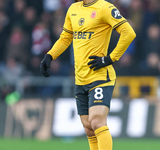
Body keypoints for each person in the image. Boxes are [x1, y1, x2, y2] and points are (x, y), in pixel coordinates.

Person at [40, 0, 136, 150]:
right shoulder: (73, 9)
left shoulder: (104, 7)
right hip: (80, 79)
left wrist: (110, 58)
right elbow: (66, 37)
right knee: (89, 128)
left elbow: (129, 32)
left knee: (97, 121)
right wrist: (50, 55)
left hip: (100, 77)